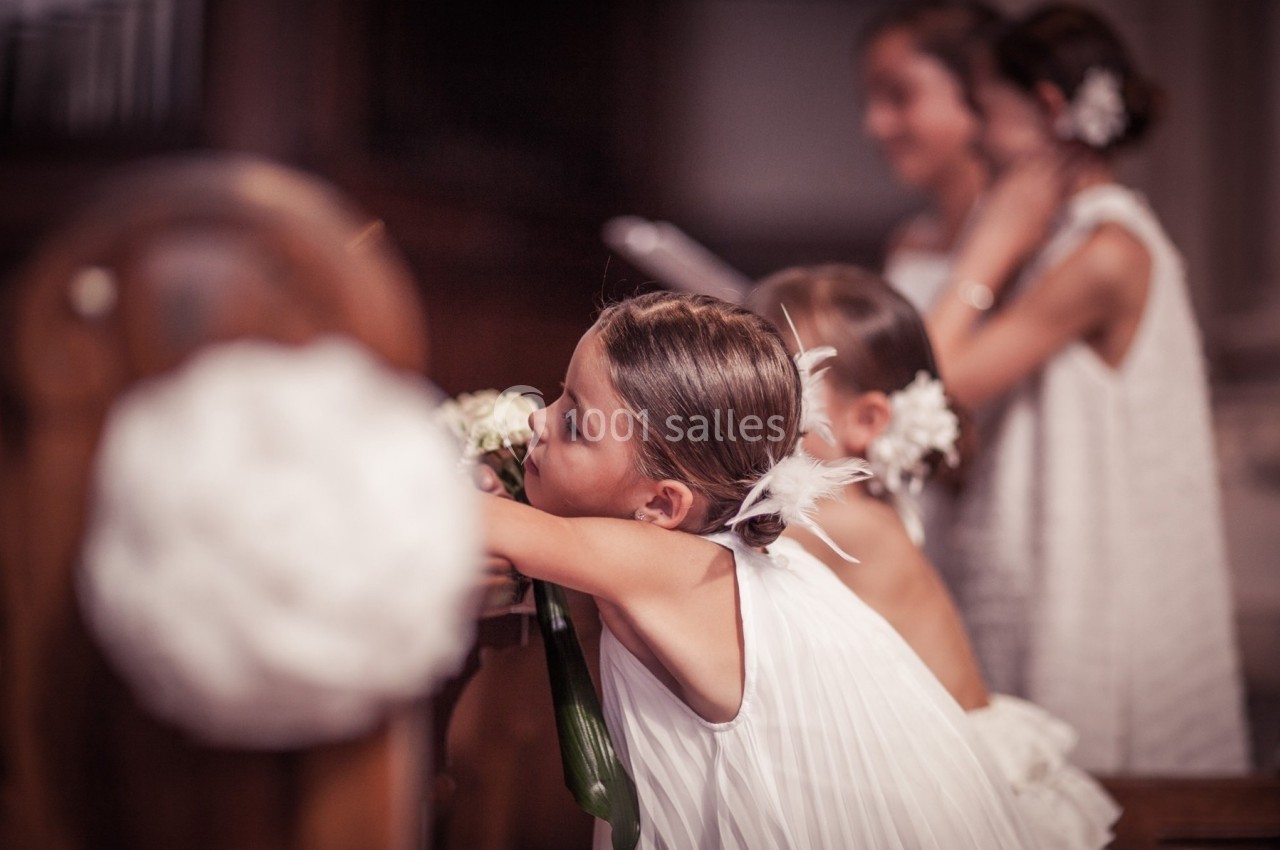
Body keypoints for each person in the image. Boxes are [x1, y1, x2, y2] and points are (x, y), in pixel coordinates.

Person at [479, 292, 1033, 848]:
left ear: (662, 505)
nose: (536, 416)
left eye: (575, 422)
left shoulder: (669, 565)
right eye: (560, 395)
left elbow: (479, 522)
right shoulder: (713, 549)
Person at [926, 4, 1249, 774]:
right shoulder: (1064, 243)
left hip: (1096, 590)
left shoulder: (1107, 248)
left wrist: (987, 247)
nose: (970, 132)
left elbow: (935, 383)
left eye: (982, 107)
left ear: (1044, 108)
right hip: (1028, 556)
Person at [749, 263, 1120, 850]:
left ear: (866, 420)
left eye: (775, 380)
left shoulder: (850, 524)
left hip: (954, 780)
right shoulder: (849, 508)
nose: (741, 396)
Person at [860, 0, 1003, 311]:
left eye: (899, 95)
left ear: (978, 91)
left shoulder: (1027, 239)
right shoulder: (909, 240)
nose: (874, 125)